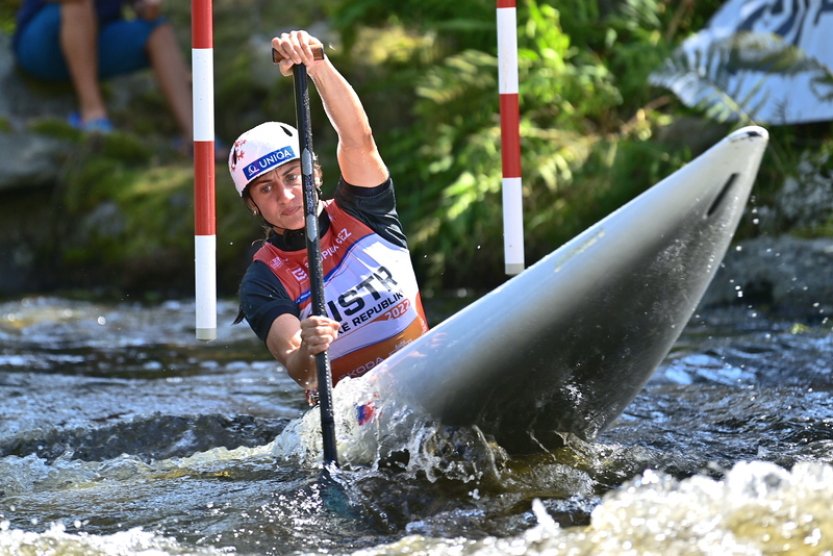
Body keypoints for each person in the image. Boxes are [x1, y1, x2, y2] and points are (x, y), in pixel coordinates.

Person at [229, 30, 429, 404]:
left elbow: (358, 139)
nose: (287, 196)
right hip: (357, 410)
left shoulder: (363, 210)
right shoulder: (262, 280)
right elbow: (299, 368)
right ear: (253, 204)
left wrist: (316, 63)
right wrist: (310, 347)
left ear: (316, 175)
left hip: (424, 373)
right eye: (266, 188)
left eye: (293, 177)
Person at [12, 0, 196, 145]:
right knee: (78, 2)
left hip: (96, 41)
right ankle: (93, 115)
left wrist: (149, 7)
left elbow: (144, 13)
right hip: (41, 47)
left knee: (159, 30)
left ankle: (196, 137)